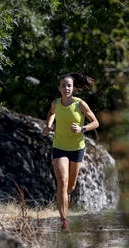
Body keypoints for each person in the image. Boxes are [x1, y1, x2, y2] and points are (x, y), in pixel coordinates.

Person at [42, 73, 99, 231]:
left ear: (73, 88)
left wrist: (82, 128)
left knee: (71, 186)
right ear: (59, 88)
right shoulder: (56, 103)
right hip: (59, 146)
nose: (66, 88)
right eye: (63, 85)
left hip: (77, 148)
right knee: (62, 180)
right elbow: (51, 113)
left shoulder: (80, 104)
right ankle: (64, 221)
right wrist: (48, 126)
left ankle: (66, 197)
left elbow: (96, 123)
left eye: (69, 85)